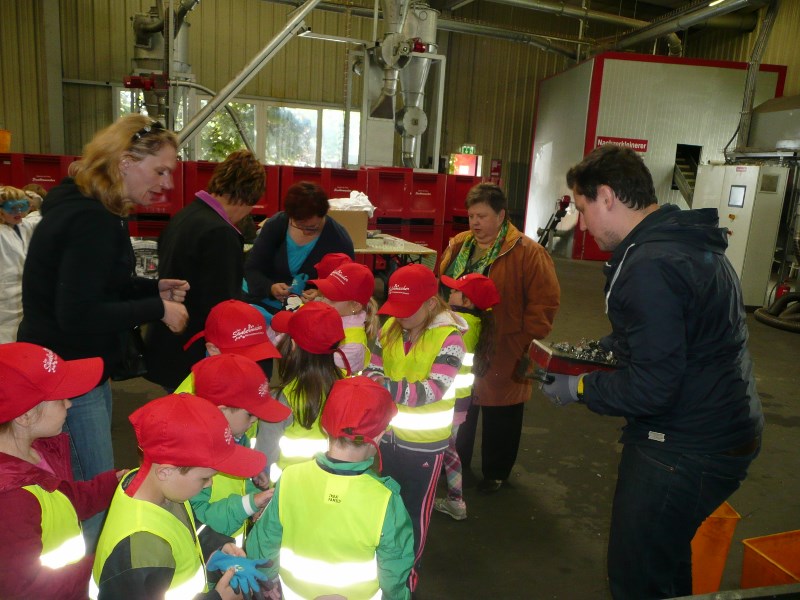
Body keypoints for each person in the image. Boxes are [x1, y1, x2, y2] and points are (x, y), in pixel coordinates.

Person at [541, 144, 764, 600]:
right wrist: (596, 352)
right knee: (662, 562)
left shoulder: (650, 265)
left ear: (607, 196)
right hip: (719, 426)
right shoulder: (680, 243)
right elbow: (667, 335)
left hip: (684, 446)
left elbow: (652, 386)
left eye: (583, 209)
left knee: (638, 574)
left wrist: (581, 386)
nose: (582, 224)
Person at [17, 114, 190, 549]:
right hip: (70, 377)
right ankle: (97, 571)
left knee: (78, 481)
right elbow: (79, 312)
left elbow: (96, 285)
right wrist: (157, 308)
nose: (167, 184)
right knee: (91, 491)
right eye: (161, 170)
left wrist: (153, 287)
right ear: (126, 162)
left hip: (75, 368)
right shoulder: (91, 220)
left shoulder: (92, 208)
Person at [437, 182, 560, 494]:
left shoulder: (529, 253)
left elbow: (543, 304)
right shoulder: (459, 244)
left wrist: (523, 342)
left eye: (482, 215)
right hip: (459, 341)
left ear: (501, 215)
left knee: (502, 410)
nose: (475, 223)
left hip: (506, 344)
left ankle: (496, 474)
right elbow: (441, 284)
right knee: (461, 405)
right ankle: (456, 462)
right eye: (471, 216)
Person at [246, 376, 414, 600]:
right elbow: (395, 571)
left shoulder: (290, 478)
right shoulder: (385, 499)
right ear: (379, 435)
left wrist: (268, 583)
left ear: (325, 427)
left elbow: (263, 543)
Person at [91, 393, 271, 600]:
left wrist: (215, 549)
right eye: (204, 478)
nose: (209, 484)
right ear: (166, 471)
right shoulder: (139, 548)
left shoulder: (157, 487)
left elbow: (187, 528)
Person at [363, 264, 467, 591]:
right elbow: (371, 370)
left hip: (425, 447)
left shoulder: (450, 340)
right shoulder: (391, 328)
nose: (401, 317)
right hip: (386, 440)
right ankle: (381, 572)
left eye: (409, 311)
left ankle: (406, 581)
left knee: (413, 516)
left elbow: (431, 390)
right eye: (397, 309)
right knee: (383, 509)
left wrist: (384, 385)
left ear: (431, 304)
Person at [0, 343, 123, 600]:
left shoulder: (34, 451)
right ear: (26, 415)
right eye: (61, 398)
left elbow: (64, 500)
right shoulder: (12, 500)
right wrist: (107, 565)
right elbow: (24, 590)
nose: (69, 404)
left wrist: (115, 483)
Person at [145, 150, 267, 391]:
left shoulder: (186, 216)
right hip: (194, 352)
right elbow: (223, 306)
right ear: (245, 198)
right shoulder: (220, 233)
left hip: (169, 343)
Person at [188, 353, 291, 548]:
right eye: (251, 414)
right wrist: (249, 503)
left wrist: (252, 487)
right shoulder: (194, 459)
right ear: (220, 410)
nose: (256, 420)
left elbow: (236, 486)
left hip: (230, 551)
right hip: (209, 558)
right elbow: (199, 521)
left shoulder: (236, 437)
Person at [254, 301, 346, 484]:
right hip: (329, 488)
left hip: (286, 493)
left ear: (293, 345)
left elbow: (263, 459)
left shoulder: (281, 399)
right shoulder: (345, 389)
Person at [433, 273, 500, 521]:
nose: (449, 293)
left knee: (444, 452)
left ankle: (454, 501)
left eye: (455, 290)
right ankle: (455, 501)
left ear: (468, 301)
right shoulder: (475, 322)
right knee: (448, 451)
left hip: (448, 400)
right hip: (458, 402)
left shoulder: (461, 323)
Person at [243, 181, 355, 314]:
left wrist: (322, 293)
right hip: (264, 303)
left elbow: (348, 282)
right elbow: (252, 269)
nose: (305, 232)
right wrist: (270, 288)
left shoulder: (338, 239)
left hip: (311, 312)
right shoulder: (276, 225)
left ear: (323, 214)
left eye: (312, 227)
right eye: (299, 225)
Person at [177, 299, 282, 390]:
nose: (251, 365)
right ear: (213, 350)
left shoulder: (263, 363)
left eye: (259, 352)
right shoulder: (198, 390)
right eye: (242, 355)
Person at [308, 261, 380, 374]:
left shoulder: (353, 346)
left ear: (355, 306)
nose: (323, 301)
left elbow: (314, 366)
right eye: (323, 295)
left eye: (332, 299)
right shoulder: (334, 316)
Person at [0, 186, 42, 343]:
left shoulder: (24, 226)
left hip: (24, 298)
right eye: (12, 208)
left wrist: (40, 201)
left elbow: (44, 219)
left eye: (23, 206)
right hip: (4, 303)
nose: (18, 212)